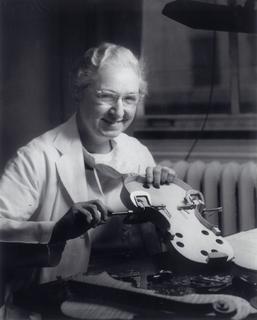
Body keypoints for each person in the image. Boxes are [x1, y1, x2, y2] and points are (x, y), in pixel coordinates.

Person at [0, 42, 175, 318]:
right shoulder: (36, 157)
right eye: (106, 96)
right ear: (78, 92)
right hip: (54, 304)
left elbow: (160, 235)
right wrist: (56, 231)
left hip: (129, 297)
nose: (119, 111)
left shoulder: (137, 152)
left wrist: (168, 195)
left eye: (130, 99)